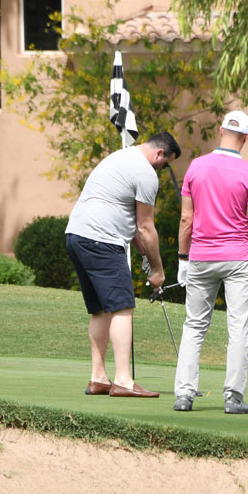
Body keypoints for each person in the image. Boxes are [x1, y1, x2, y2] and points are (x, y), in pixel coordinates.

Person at [65, 130, 181, 398]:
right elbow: (146, 227)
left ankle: (98, 378)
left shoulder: (119, 157)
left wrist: (132, 237)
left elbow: (115, 205)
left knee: (100, 310)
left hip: (76, 236)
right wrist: (158, 270)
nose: (163, 170)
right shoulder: (145, 173)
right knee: (122, 307)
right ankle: (124, 381)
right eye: (165, 165)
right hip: (101, 241)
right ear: (159, 153)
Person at [172, 111, 248, 414]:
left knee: (195, 325)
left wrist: (182, 258)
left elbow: (186, 218)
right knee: (238, 327)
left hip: (200, 256)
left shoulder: (195, 167)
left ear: (220, 130)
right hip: (238, 258)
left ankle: (184, 395)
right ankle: (233, 398)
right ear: (246, 137)